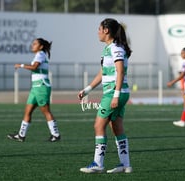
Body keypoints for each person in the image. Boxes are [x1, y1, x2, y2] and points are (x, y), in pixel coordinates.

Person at [78, 18, 132, 174]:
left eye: (99, 29)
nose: (98, 32)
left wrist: (115, 95)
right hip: (117, 93)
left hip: (114, 93)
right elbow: (103, 73)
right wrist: (87, 90)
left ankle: (98, 164)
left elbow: (120, 72)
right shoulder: (109, 48)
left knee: (98, 126)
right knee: (116, 127)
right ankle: (125, 165)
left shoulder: (115, 48)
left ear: (106, 30)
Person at [7, 38, 60, 142]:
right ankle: (21, 135)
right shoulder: (38, 55)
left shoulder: (40, 54)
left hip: (41, 86)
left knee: (46, 111)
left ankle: (56, 135)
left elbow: (35, 67)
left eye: (35, 44)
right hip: (35, 88)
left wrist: (21, 65)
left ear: (40, 47)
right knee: (28, 111)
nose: (32, 45)